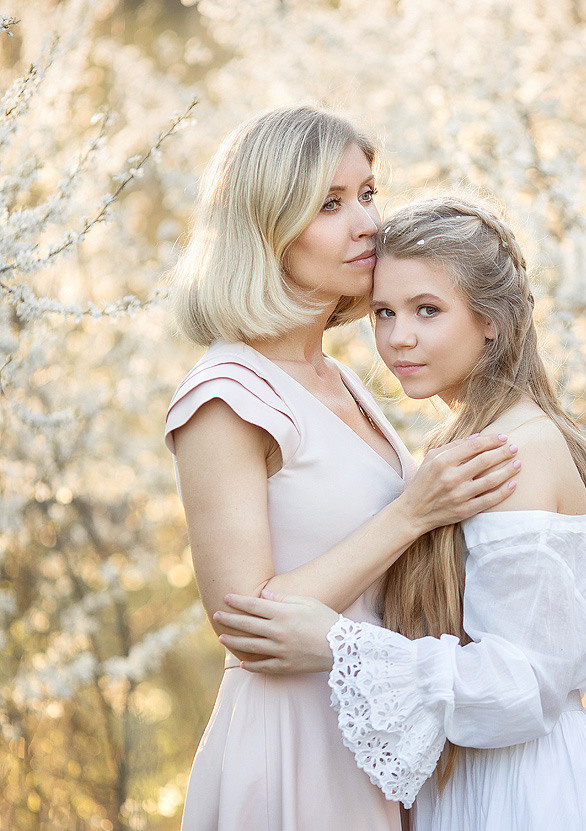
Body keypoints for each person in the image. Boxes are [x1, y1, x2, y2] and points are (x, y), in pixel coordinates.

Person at [216, 196, 586, 831]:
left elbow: (520, 687)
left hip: (529, 796)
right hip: (475, 783)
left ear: (491, 320)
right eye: (384, 313)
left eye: (428, 311)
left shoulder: (516, 452)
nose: (399, 338)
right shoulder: (458, 446)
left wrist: (338, 647)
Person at [164, 110, 522, 831]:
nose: (366, 223)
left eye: (366, 193)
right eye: (330, 204)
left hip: (370, 733)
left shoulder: (335, 376)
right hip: (292, 744)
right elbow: (247, 623)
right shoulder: (227, 395)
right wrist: (413, 511)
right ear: (268, 228)